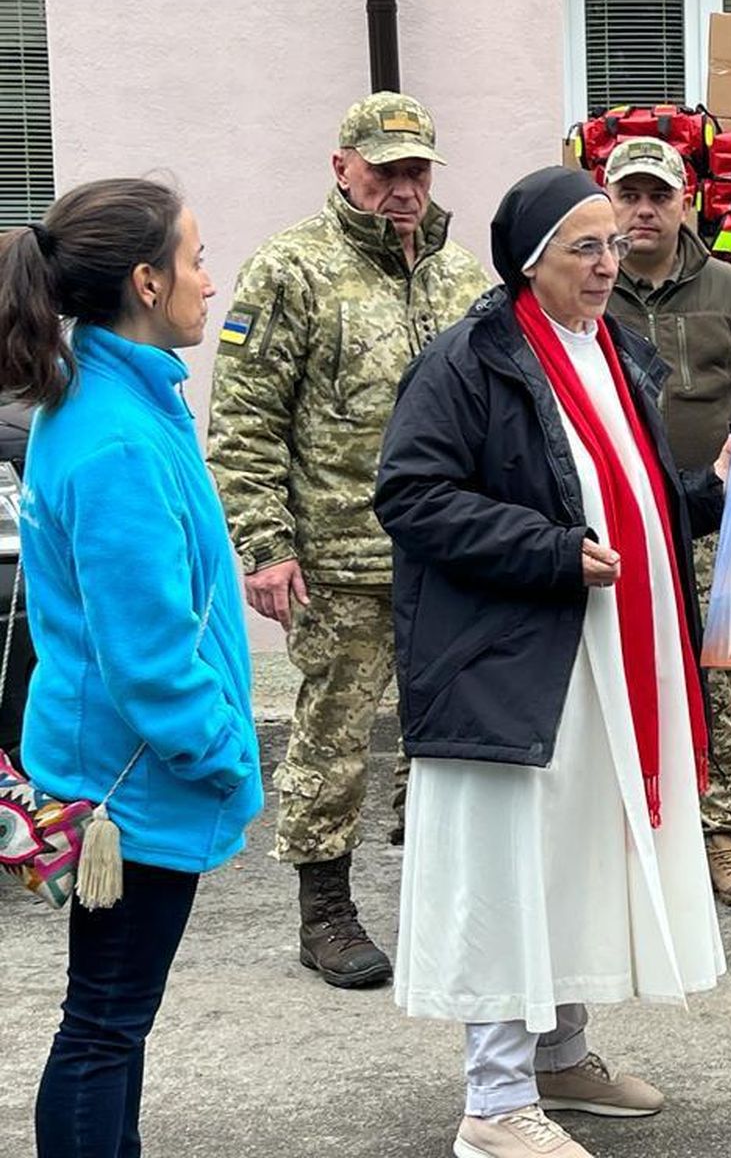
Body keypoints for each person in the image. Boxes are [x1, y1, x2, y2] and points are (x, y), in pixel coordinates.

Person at [375, 167, 729, 1158]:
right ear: (532, 262)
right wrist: (545, 550)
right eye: (586, 246)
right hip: (507, 665)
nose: (610, 262)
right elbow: (410, 494)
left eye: (615, 242)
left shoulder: (611, 350)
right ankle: (492, 1106)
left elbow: (633, 501)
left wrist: (711, 492)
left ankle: (559, 1056)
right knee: (508, 872)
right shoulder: (472, 359)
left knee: (574, 854)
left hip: (597, 659)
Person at [1, 180, 262, 1157]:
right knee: (103, 1025)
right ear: (147, 282)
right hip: (131, 785)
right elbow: (149, 659)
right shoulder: (114, 436)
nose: (208, 277)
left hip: (119, 772)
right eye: (195, 257)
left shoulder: (123, 400)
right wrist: (225, 751)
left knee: (113, 1020)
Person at [207, 92, 491, 989]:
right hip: (339, 558)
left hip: (449, 555)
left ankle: (438, 897)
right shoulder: (290, 269)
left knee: (446, 737)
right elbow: (244, 421)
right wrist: (264, 544)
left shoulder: (463, 277)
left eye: (416, 171)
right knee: (330, 740)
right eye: (384, 170)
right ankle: (324, 911)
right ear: (343, 167)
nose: (403, 189)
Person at [603, 136, 731, 910]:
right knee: (612, 665)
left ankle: (723, 831)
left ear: (686, 203)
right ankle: (621, 833)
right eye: (629, 195)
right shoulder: (584, 284)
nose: (643, 210)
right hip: (611, 522)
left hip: (716, 525)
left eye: (658, 196)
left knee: (719, 677)